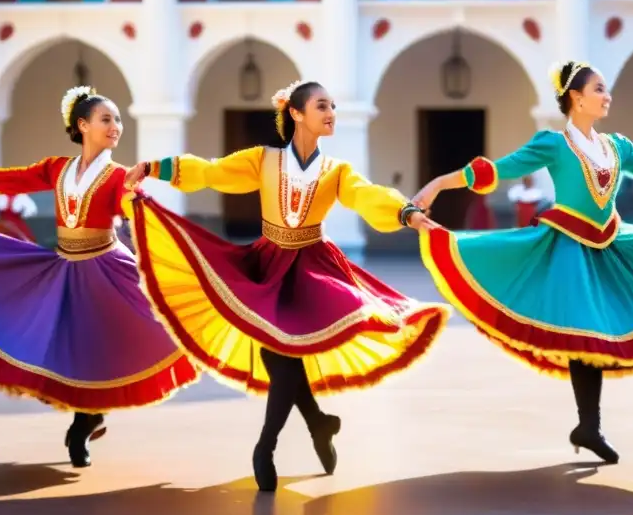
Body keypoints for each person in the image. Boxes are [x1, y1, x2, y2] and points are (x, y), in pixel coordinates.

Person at [413, 60, 633, 465]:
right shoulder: (553, 144)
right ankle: (589, 425)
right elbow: (495, 171)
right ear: (575, 98)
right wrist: (436, 184)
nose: (607, 96)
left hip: (611, 246)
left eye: (606, 89)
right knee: (585, 334)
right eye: (598, 89)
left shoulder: (618, 147)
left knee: (599, 336)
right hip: (567, 251)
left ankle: (588, 426)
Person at [123, 80, 451, 493]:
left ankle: (266, 446)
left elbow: (367, 196)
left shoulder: (337, 171)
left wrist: (407, 213)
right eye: (321, 106)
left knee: (283, 359)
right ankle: (318, 422)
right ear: (296, 113)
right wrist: (155, 168)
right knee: (281, 360)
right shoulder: (263, 160)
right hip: (266, 265)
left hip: (310, 270)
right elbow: (210, 171)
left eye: (332, 106)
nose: (331, 112)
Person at [0, 86, 199, 468]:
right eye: (106, 119)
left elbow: (137, 213)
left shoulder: (119, 177)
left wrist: (156, 226)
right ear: (82, 125)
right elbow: (7, 179)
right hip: (65, 267)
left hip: (107, 269)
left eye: (118, 120)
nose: (116, 126)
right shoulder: (57, 168)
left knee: (107, 346)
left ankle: (83, 424)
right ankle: (88, 415)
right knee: (64, 347)